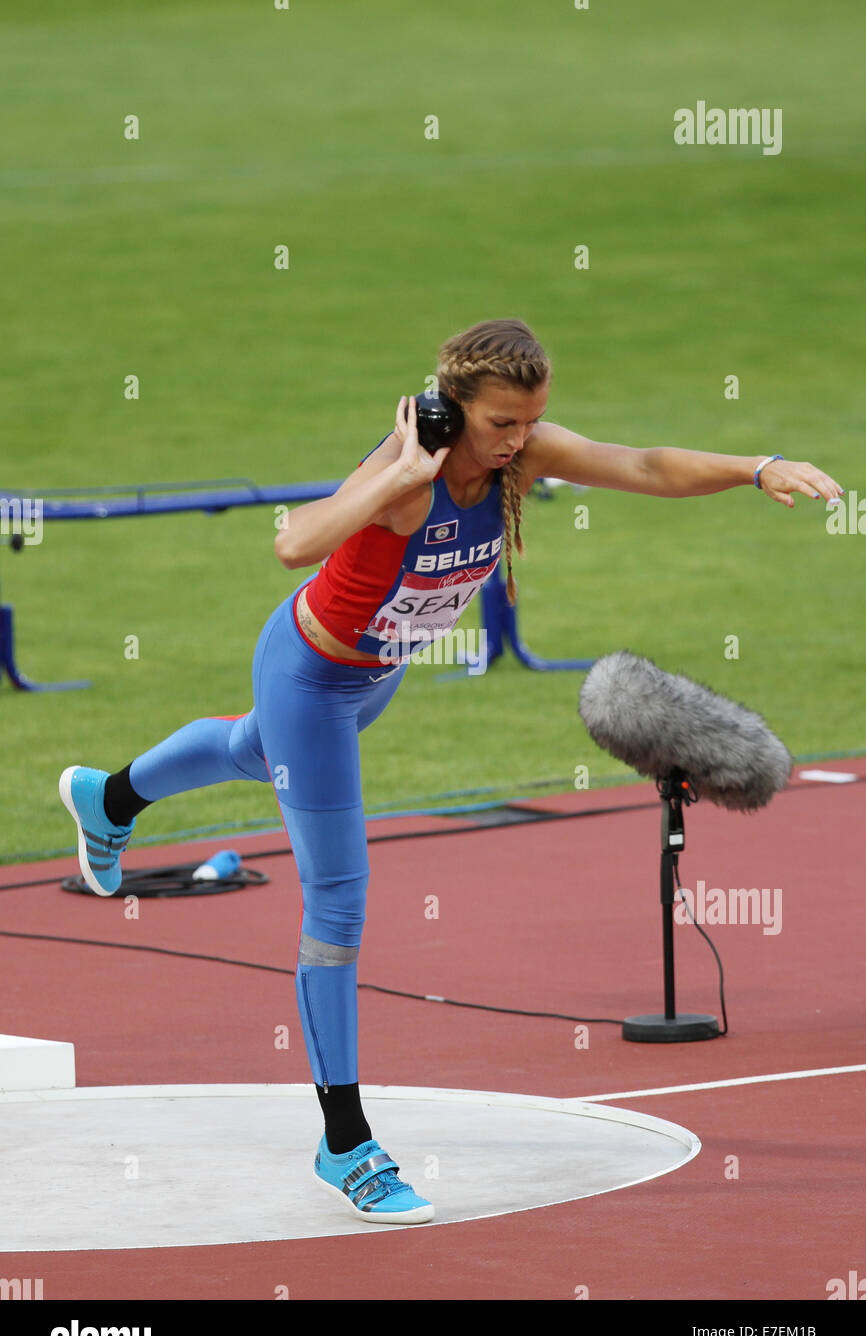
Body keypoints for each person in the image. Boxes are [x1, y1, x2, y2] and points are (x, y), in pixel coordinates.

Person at [58, 317, 843, 1225]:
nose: (519, 441)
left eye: (531, 421)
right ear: (451, 407)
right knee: (339, 899)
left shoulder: (521, 451)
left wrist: (756, 466)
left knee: (248, 751)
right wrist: (397, 473)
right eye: (502, 423)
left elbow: (642, 464)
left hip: (372, 678)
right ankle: (344, 1141)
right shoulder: (407, 477)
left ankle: (105, 796)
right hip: (310, 676)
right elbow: (294, 543)